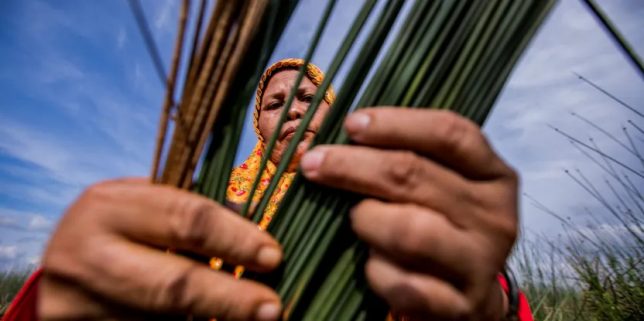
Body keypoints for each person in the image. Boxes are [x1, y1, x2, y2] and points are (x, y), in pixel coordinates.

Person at [4, 59, 532, 321]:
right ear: (258, 128)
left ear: (338, 110)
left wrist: (492, 297)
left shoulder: (403, 195)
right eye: (276, 104)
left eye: (310, 95)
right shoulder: (200, 203)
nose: (296, 109)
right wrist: (56, 298)